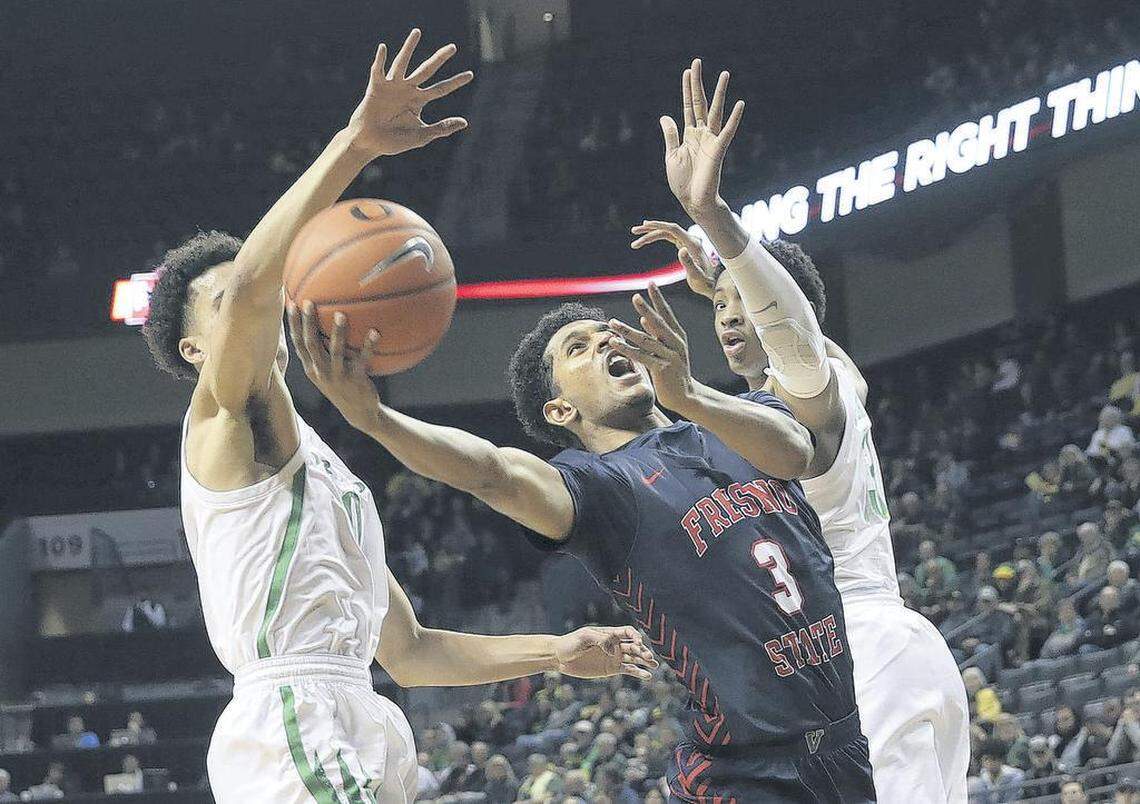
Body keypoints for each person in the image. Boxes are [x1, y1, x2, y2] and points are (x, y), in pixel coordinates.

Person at [291, 62, 875, 804]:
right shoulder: (597, 489)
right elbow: (491, 472)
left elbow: (812, 378)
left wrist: (721, 242)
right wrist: (373, 417)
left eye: (607, 332)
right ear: (561, 412)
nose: (606, 343)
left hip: (847, 746)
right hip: (744, 772)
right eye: (578, 350)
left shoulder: (737, 421)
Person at [140, 30, 653, 803]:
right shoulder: (220, 421)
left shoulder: (329, 471)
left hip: (363, 710)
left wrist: (557, 649)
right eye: (227, 300)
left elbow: (410, 652)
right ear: (190, 346)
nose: (264, 295)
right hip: (291, 714)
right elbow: (252, 280)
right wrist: (355, 144)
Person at [627, 59, 969, 803]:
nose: (724, 317)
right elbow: (785, 324)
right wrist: (718, 278)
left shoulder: (807, 387)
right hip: (886, 654)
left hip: (864, 652)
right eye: (717, 310)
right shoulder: (829, 385)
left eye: (739, 306)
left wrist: (715, 217)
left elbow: (790, 331)